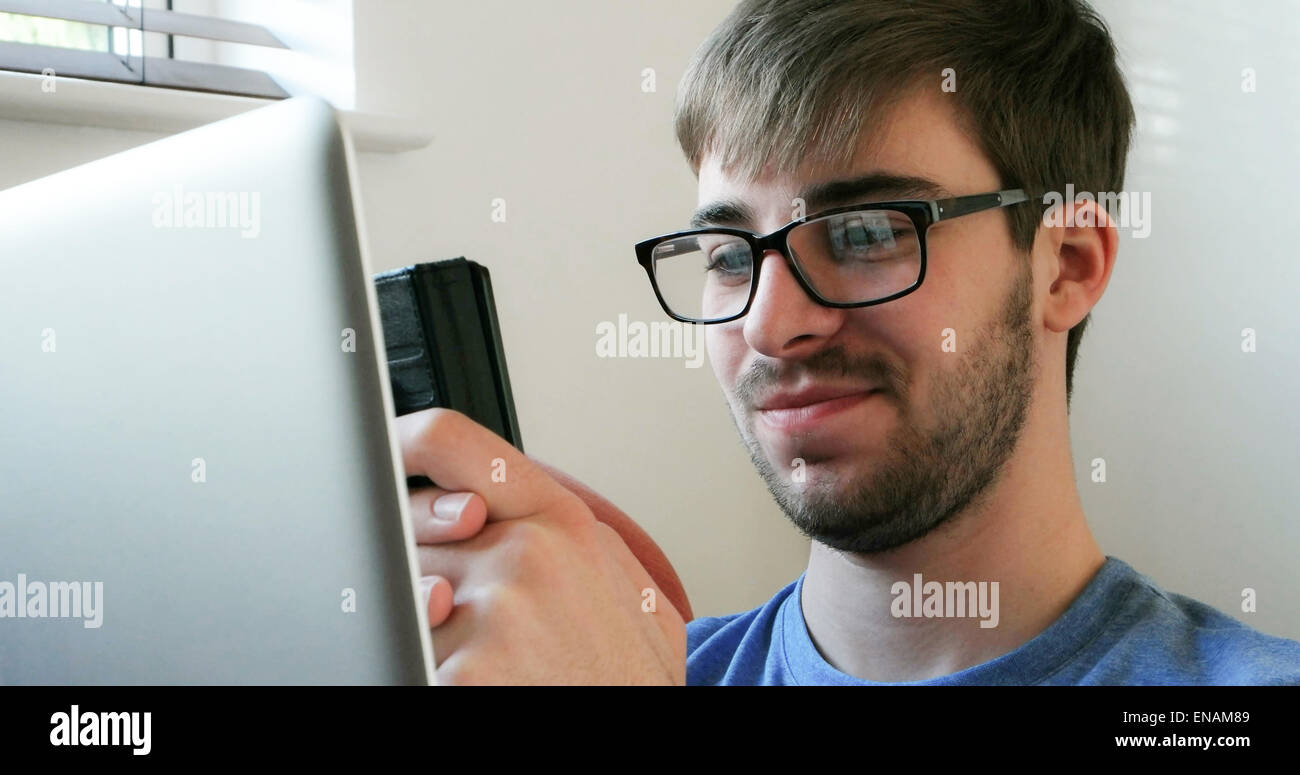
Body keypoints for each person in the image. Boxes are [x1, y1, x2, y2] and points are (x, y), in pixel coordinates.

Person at [404, 0, 1300, 685]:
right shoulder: (628, 665)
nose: (768, 322)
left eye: (866, 233)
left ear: (1064, 264)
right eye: (727, 254)